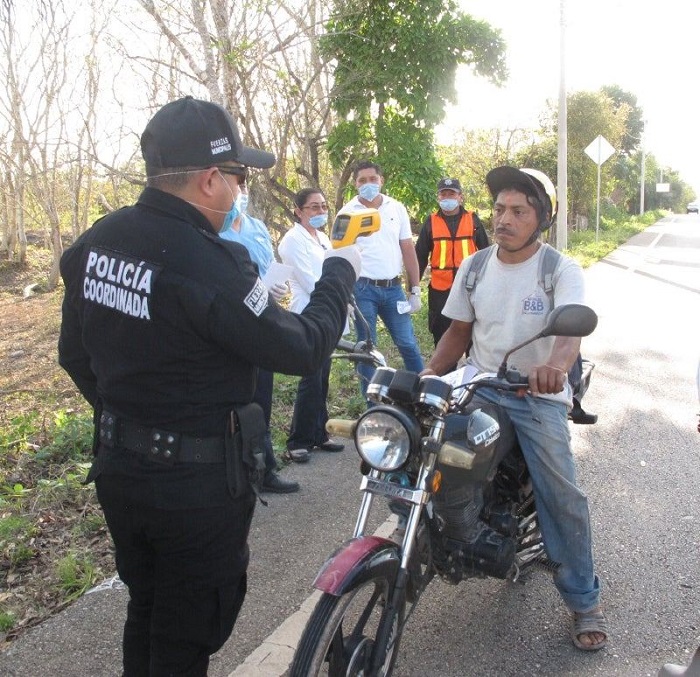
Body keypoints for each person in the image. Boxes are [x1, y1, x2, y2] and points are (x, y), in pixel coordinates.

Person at [57, 96, 360, 675]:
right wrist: (338, 273)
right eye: (238, 178)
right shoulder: (210, 264)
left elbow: (75, 354)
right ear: (210, 180)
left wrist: (131, 416)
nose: (239, 192)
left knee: (147, 611)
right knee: (187, 631)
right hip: (193, 490)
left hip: (121, 471)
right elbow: (300, 347)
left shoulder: (99, 240)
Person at [422, 166, 608, 651]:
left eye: (518, 211)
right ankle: (443, 540)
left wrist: (555, 367)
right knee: (436, 452)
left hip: (536, 395)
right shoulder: (476, 265)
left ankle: (584, 601)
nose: (505, 218)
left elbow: (569, 333)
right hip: (485, 384)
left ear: (540, 219)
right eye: (500, 209)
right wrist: (429, 372)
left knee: (561, 493)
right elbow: (458, 332)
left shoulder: (558, 270)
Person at [219, 184, 299, 492]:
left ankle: (264, 471)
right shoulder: (212, 230)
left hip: (262, 323)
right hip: (231, 326)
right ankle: (235, 473)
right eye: (233, 184)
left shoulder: (257, 227)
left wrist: (276, 288)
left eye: (242, 185)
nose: (238, 191)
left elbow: (267, 268)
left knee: (261, 401)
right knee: (235, 403)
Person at [341, 160, 424, 393]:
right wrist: (345, 293)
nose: (368, 184)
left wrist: (415, 289)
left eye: (372, 179)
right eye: (362, 180)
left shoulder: (396, 208)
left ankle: (423, 395)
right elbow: (341, 254)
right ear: (355, 183)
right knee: (367, 349)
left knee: (407, 343)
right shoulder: (348, 212)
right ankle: (372, 403)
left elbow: (407, 248)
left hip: (393, 289)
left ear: (381, 180)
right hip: (362, 289)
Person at [277, 188, 345, 463]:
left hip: (327, 311)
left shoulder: (323, 239)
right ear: (298, 211)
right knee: (311, 375)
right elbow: (310, 280)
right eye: (313, 208)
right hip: (309, 312)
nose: (320, 212)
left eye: (323, 207)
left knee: (323, 375)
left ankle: (319, 432)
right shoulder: (292, 241)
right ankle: (298, 440)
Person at [415, 177, 489, 347]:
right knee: (441, 335)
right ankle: (444, 372)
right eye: (443, 194)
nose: (447, 197)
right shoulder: (431, 222)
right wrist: (414, 286)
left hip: (469, 287)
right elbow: (420, 255)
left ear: (460, 196)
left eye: (452, 194)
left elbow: (486, 252)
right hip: (441, 289)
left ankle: (471, 370)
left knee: (473, 335)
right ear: (438, 197)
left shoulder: (473, 219)